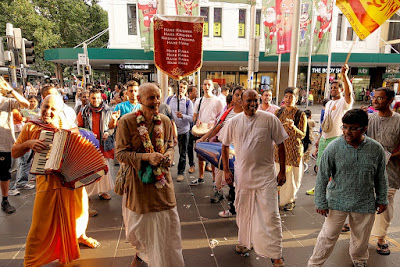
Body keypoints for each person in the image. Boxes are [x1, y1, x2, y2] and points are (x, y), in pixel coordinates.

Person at [12, 95, 98, 266]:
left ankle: (79, 236)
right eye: (45, 107)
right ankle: (31, 259)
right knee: (40, 223)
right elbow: (15, 152)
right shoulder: (31, 127)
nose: (48, 112)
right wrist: (28, 143)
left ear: (60, 111)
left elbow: (81, 150)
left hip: (71, 181)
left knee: (79, 213)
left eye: (53, 109)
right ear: (40, 105)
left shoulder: (69, 127)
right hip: (46, 181)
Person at [308, 109, 388, 267]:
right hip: (336, 201)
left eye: (353, 128)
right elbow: (322, 176)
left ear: (364, 128)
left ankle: (359, 261)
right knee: (327, 236)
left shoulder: (376, 149)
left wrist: (382, 199)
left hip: (364, 202)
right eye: (344, 127)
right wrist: (320, 202)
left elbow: (381, 176)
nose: (347, 132)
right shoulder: (333, 147)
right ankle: (314, 264)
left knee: (361, 237)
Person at [115, 83, 184, 267]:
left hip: (162, 184)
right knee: (138, 229)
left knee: (168, 225)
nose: (156, 102)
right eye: (151, 98)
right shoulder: (127, 122)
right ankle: (142, 253)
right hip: (138, 184)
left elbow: (170, 145)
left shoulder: (166, 121)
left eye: (158, 97)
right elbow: (120, 154)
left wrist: (168, 155)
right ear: (139, 100)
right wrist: (147, 157)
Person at [220, 89, 287, 267]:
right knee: (243, 211)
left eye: (255, 100)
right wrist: (226, 171)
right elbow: (225, 146)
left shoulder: (270, 119)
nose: (253, 104)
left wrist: (282, 171)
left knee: (271, 215)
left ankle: (276, 254)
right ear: (241, 102)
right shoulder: (233, 122)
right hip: (243, 176)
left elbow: (281, 144)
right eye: (248, 101)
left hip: (266, 176)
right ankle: (244, 242)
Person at [305, 64, 353, 196]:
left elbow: (349, 93)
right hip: (324, 139)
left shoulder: (344, 102)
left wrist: (344, 76)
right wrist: (319, 139)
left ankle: (334, 190)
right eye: (331, 87)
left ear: (342, 90)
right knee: (321, 166)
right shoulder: (328, 103)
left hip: (336, 139)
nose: (333, 90)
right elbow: (324, 124)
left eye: (336, 88)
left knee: (334, 167)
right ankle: (319, 188)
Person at [197, 86, 244, 213]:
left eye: (242, 95)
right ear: (232, 97)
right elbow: (216, 128)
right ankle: (221, 194)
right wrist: (203, 138)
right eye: (237, 95)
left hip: (242, 153)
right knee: (221, 176)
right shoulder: (227, 112)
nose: (239, 98)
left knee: (237, 182)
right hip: (225, 150)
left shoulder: (248, 114)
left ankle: (236, 207)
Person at [367, 87, 400, 256]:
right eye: (374, 97)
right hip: (367, 170)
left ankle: (381, 238)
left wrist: (390, 155)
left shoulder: (398, 121)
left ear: (390, 101)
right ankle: (361, 236)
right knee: (365, 204)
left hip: (390, 171)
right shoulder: (368, 119)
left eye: (380, 98)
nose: (375, 100)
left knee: (385, 207)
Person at [77, 89, 114, 202]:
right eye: (93, 98)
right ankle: (87, 194)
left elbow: (113, 127)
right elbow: (79, 127)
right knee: (90, 169)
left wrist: (108, 133)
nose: (96, 100)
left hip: (104, 145)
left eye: (98, 98)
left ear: (101, 98)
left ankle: (103, 191)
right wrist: (88, 134)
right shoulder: (83, 112)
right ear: (89, 98)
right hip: (89, 145)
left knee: (104, 169)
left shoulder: (109, 111)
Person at [274, 87, 307, 211]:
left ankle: (290, 200)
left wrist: (293, 127)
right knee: (279, 174)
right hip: (279, 150)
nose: (288, 99)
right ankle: (281, 200)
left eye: (291, 97)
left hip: (293, 150)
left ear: (296, 99)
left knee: (292, 178)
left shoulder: (300, 114)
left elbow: (302, 135)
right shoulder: (279, 112)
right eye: (286, 96)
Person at [0, 78, 29, 213]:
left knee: (5, 174)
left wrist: (11, 90)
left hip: (3, 144)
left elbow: (26, 104)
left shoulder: (7, 102)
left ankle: (5, 200)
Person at [190, 79, 224, 185]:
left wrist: (214, 125)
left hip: (212, 132)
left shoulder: (218, 101)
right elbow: (194, 116)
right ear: (202, 86)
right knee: (201, 155)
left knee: (213, 156)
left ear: (212, 87)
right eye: (205, 84)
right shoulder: (198, 101)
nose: (206, 86)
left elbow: (221, 118)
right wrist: (197, 121)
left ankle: (214, 180)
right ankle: (201, 177)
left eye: (209, 84)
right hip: (201, 131)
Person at [165, 80, 193, 182]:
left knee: (182, 153)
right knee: (168, 150)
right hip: (171, 131)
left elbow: (191, 118)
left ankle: (180, 172)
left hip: (183, 130)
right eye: (180, 87)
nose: (181, 89)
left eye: (183, 88)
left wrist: (183, 116)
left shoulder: (188, 102)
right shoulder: (168, 100)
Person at [187, 85, 198, 174]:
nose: (197, 93)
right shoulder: (186, 102)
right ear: (190, 93)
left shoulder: (198, 102)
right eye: (195, 91)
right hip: (189, 128)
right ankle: (192, 165)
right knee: (189, 148)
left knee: (201, 146)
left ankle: (206, 164)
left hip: (197, 128)